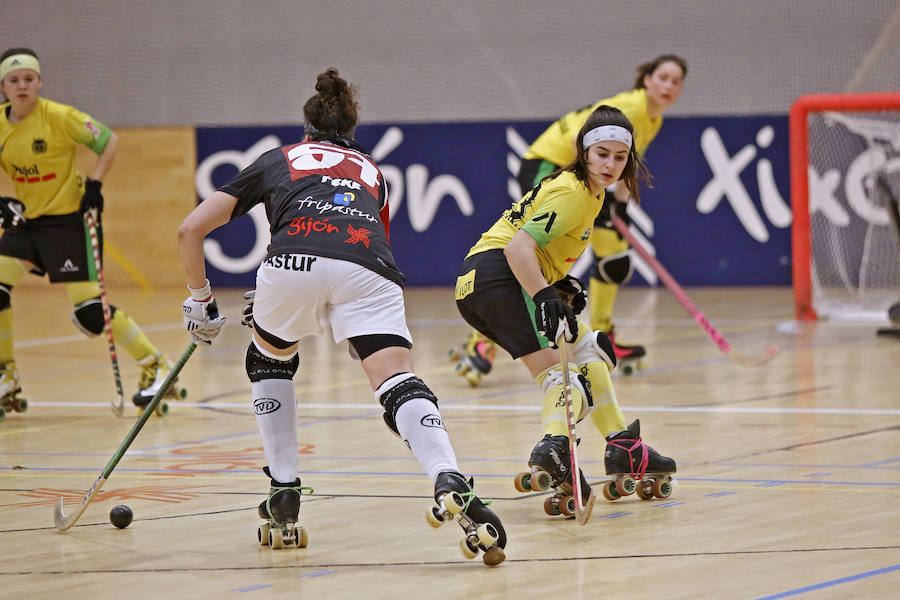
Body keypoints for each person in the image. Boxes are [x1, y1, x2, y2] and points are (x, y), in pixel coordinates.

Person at [176, 68, 506, 565]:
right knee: (396, 379)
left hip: (290, 262)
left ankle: (283, 489)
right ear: (352, 132)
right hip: (369, 269)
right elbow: (358, 252)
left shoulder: (278, 159)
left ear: (305, 128)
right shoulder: (374, 173)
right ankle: (448, 475)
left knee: (269, 359)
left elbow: (190, 230)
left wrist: (203, 300)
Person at [455, 105, 676, 511]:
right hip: (499, 277)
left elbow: (530, 247)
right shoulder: (575, 194)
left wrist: (556, 284)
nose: (610, 164)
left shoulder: (588, 193)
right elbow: (517, 247)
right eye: (602, 154)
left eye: (620, 156)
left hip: (482, 282)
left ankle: (622, 444)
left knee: (591, 349)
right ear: (584, 152)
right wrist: (542, 295)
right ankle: (555, 449)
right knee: (563, 379)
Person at [452, 55, 687, 384]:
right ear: (646, 79)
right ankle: (482, 341)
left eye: (676, 81)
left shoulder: (652, 118)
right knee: (530, 251)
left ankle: (605, 333)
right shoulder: (633, 108)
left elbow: (622, 165)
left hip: (585, 176)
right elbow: (601, 153)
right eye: (663, 77)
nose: (669, 87)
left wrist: (620, 209)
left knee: (613, 257)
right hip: (551, 164)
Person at [0, 47, 180, 413]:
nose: (22, 86)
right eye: (13, 80)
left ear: (39, 83)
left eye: (29, 79)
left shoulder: (59, 117)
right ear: (3, 85)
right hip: (27, 224)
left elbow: (108, 140)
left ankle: (156, 365)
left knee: (90, 314)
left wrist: (95, 186)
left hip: (68, 222)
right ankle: (7, 374)